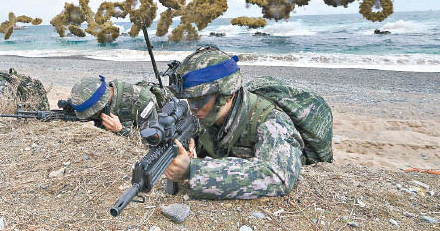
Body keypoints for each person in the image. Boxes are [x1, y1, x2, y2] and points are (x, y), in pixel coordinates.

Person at [164, 46, 333, 199]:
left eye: (200, 99)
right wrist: (193, 144)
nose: (193, 108)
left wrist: (192, 170)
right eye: (189, 100)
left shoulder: (271, 122)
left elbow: (278, 176)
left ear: (227, 94)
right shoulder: (208, 114)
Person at [70, 75, 174, 136]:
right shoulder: (105, 94)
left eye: (92, 113)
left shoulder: (141, 102)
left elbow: (152, 138)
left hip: (165, 114)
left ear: (100, 105)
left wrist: (120, 129)